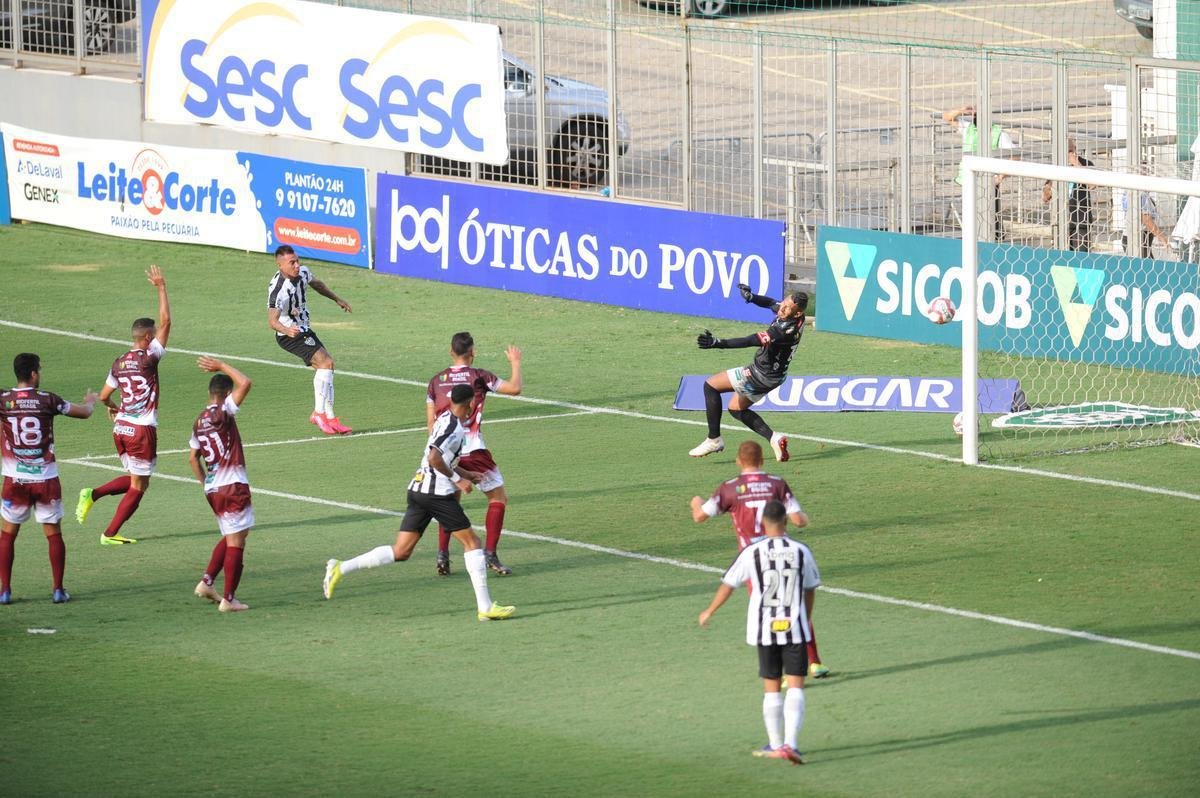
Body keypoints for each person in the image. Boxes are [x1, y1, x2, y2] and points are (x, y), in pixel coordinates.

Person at [322, 383, 515, 621]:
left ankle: (340, 567)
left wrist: (467, 475)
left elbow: (439, 457)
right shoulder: (454, 428)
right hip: (436, 494)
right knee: (473, 542)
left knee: (401, 551)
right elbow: (434, 457)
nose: (474, 406)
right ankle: (485, 607)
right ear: (468, 403)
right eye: (473, 402)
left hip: (418, 489)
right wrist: (458, 480)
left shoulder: (445, 418)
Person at [689, 440, 828, 679]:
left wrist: (695, 502)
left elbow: (700, 517)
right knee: (794, 604)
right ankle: (814, 662)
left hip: (754, 560)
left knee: (769, 612)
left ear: (738, 462)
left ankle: (784, 672)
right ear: (762, 460)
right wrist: (804, 518)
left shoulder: (730, 488)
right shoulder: (776, 483)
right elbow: (798, 520)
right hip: (783, 553)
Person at [699, 500, 821, 765]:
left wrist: (710, 610)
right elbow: (811, 588)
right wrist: (806, 616)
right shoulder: (801, 550)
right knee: (797, 686)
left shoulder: (753, 552)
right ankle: (792, 744)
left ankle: (776, 745)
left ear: (762, 524)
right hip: (796, 628)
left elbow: (729, 583)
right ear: (786, 522)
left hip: (764, 628)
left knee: (771, 687)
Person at [76, 265, 171, 545]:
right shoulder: (149, 357)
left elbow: (104, 395)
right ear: (146, 338)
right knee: (139, 486)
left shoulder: (119, 362)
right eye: (152, 335)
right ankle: (110, 533)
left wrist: (114, 407)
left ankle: (91, 494)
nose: (156, 337)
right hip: (141, 430)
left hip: (121, 428)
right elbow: (166, 322)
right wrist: (161, 287)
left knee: (135, 479)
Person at [1, 353, 98, 604]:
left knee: (8, 534)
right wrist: (90, 401)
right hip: (46, 479)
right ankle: (57, 590)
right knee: (53, 533)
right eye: (39, 370)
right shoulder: (48, 400)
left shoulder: (4, 400)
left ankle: (5, 591)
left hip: (15, 480)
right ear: (33, 373)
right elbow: (84, 413)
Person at [427, 332, 523, 577]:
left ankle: (442, 555)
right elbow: (515, 389)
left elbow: (430, 425)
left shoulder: (435, 381)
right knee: (497, 497)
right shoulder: (479, 376)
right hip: (472, 447)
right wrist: (515, 362)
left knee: (451, 503)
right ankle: (490, 553)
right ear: (473, 352)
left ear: (451, 351)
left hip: (445, 451)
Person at [690, 284, 807, 462]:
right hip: (775, 377)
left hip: (759, 374)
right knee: (736, 409)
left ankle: (713, 439)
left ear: (796, 313)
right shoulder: (794, 315)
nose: (781, 308)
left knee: (711, 386)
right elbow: (771, 303)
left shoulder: (782, 332)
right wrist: (752, 297)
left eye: (787, 308)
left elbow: (749, 340)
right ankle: (774, 438)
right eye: (783, 303)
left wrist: (717, 343)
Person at [187, 357, 254, 613]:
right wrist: (222, 365)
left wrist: (206, 483)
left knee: (232, 535)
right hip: (233, 485)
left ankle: (207, 583)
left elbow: (193, 458)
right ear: (226, 394)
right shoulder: (224, 411)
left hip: (214, 488)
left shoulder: (198, 421)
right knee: (236, 541)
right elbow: (245, 383)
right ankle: (229, 598)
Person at [266, 244, 353, 435]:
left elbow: (318, 285)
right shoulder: (278, 290)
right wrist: (287, 329)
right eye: (292, 263)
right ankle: (318, 414)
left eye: (297, 260)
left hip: (304, 329)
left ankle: (331, 418)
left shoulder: (303, 272)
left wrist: (337, 299)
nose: (297, 265)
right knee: (326, 363)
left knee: (328, 368)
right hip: (290, 335)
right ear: (280, 265)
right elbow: (272, 321)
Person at [944, 104, 1017, 240]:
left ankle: (995, 240)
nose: (976, 118)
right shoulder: (970, 129)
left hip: (988, 182)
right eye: (975, 115)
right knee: (972, 215)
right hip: (969, 180)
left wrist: (1000, 177)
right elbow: (947, 117)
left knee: (990, 216)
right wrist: (961, 110)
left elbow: (1016, 156)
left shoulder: (998, 134)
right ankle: (975, 241)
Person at [1040, 138, 1095, 252]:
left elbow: (1092, 185)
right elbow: (1045, 198)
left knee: (1081, 257)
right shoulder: (1058, 167)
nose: (1070, 154)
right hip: (1061, 221)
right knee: (1062, 258)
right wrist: (1048, 188)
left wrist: (1076, 164)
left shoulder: (1085, 164)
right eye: (1067, 151)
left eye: (1071, 150)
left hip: (1081, 221)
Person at [1120, 191, 1170, 258]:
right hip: (1138, 239)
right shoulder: (1141, 195)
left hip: (1138, 238)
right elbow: (1145, 218)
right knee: (1148, 266)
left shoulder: (1133, 193)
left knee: (1142, 265)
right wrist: (1162, 238)